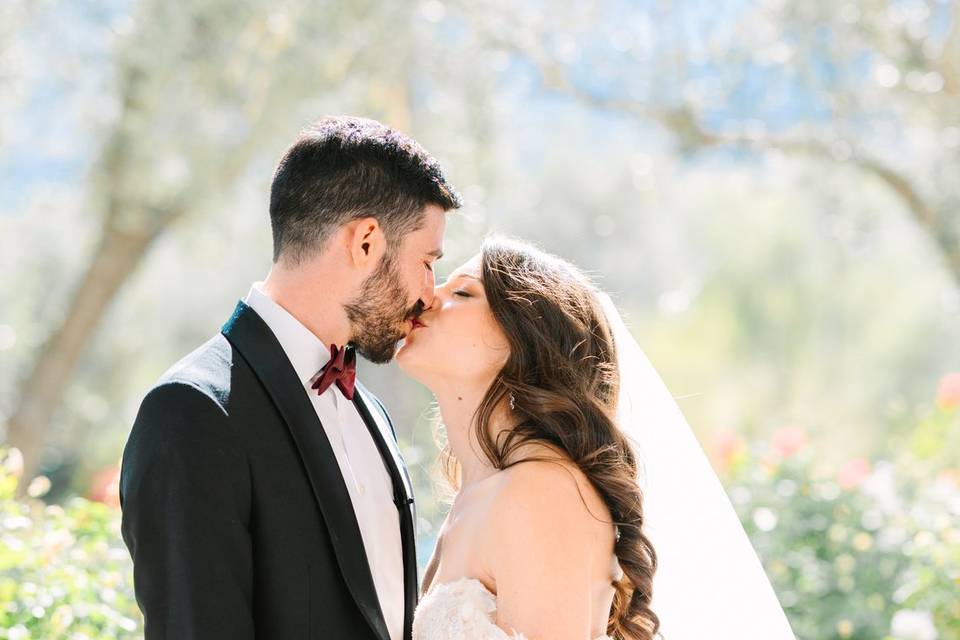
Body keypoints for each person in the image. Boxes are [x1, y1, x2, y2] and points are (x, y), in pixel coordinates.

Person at [119, 115, 461, 640]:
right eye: (427, 261)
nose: (430, 292)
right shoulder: (191, 412)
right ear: (366, 241)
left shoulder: (371, 412)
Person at [399, 236, 797, 640]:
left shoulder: (540, 491)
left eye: (463, 292)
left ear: (524, 339)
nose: (428, 296)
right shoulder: (478, 498)